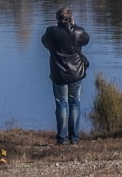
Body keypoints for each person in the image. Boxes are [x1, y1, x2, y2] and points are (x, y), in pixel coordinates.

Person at [40, 7, 90, 145]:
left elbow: (44, 42)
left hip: (58, 74)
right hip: (76, 73)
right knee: (75, 103)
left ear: (57, 19)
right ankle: (74, 139)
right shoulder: (78, 32)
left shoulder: (51, 32)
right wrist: (74, 26)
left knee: (61, 104)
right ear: (71, 18)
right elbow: (86, 40)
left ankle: (61, 139)